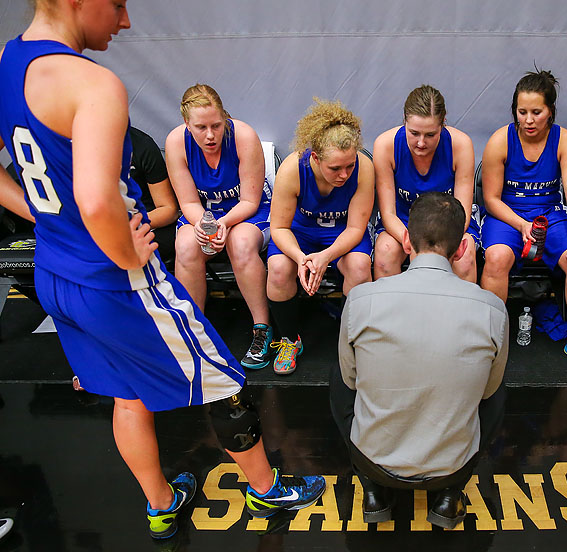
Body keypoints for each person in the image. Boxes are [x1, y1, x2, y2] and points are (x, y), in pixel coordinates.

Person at [0, 0, 324, 540]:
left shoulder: (4, 62)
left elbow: (59, 195)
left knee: (127, 393)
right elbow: (99, 202)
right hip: (112, 277)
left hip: (55, 271)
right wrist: (130, 254)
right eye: (118, 3)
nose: (125, 22)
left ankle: (160, 505)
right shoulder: (92, 82)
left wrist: (45, 215)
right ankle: (268, 493)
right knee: (224, 381)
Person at [331, 192, 508, 528]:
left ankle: (373, 491)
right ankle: (449, 495)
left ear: (407, 242)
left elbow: (351, 382)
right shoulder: (492, 308)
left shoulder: (361, 298)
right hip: (453, 466)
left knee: (339, 373)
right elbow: (488, 393)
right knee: (496, 390)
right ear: (460, 250)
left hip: (371, 460)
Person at [480, 69, 567, 372]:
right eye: (522, 112)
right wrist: (520, 225)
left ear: (550, 112)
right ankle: (491, 337)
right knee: (496, 257)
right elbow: (490, 198)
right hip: (507, 215)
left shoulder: (565, 141)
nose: (528, 120)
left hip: (549, 214)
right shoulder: (500, 141)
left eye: (536, 112)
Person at [165, 83, 274, 370]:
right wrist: (204, 224)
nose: (210, 135)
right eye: (201, 127)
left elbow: (250, 200)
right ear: (187, 124)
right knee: (186, 244)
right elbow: (187, 202)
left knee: (240, 243)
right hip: (203, 213)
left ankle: (262, 328)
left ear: (225, 117)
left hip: (247, 211)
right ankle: (193, 331)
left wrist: (223, 224)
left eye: (216, 125)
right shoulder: (176, 142)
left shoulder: (243, 136)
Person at [266, 99, 374, 375]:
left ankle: (353, 342)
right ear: (314, 157)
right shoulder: (293, 168)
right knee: (279, 269)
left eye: (349, 166)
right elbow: (278, 227)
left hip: (341, 234)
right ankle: (290, 340)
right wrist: (302, 258)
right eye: (335, 168)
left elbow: (355, 229)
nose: (344, 174)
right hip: (300, 234)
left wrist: (326, 257)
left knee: (360, 268)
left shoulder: (364, 167)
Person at [372, 84, 479, 282]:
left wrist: (435, 247)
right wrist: (415, 242)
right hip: (403, 221)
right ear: (404, 121)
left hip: (450, 223)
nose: (421, 143)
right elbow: (388, 213)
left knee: (464, 258)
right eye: (414, 133)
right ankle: (391, 313)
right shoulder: (385, 145)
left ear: (443, 124)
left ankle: (459, 313)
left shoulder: (460, 145)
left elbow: (462, 213)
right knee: (385, 253)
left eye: (430, 135)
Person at [129, 126, 178, 267]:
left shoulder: (140, 144)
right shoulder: (71, 147)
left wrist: (130, 227)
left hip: (144, 222)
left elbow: (169, 209)